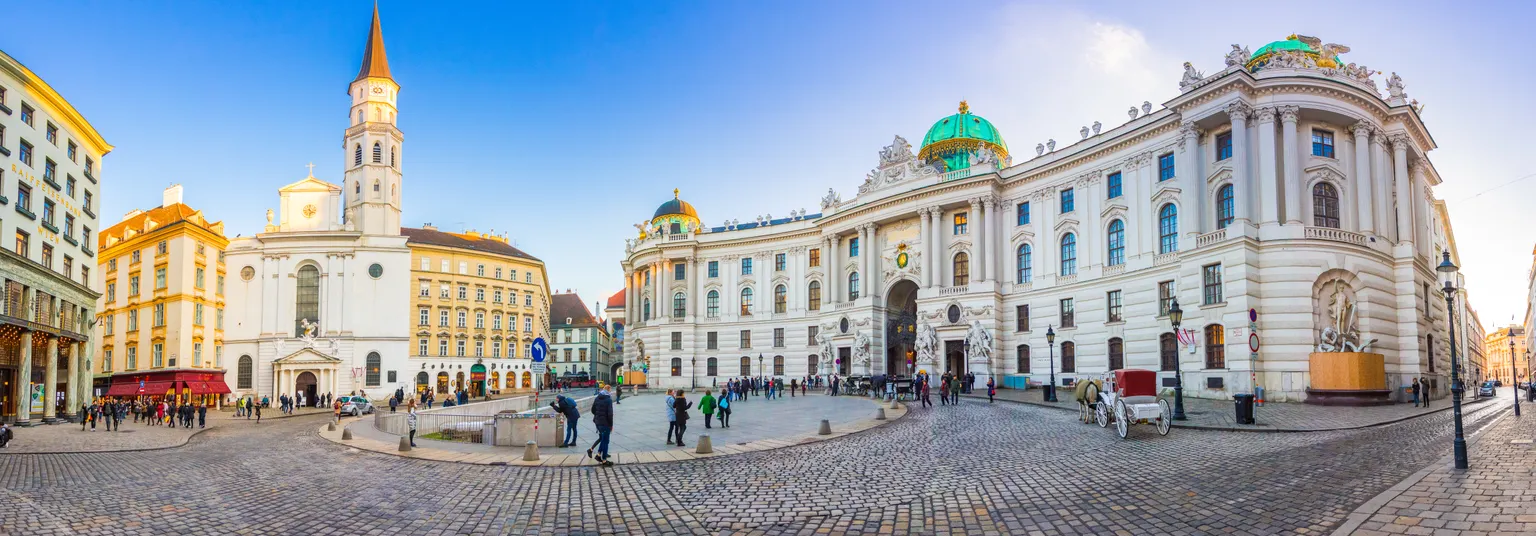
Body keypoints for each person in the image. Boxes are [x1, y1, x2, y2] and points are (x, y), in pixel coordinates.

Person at [590, 385, 614, 465]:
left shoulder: (597, 398)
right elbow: (610, 414)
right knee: (606, 441)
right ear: (609, 390)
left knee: (603, 439)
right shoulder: (608, 399)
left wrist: (598, 415)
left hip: (598, 422)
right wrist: (611, 425)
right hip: (605, 423)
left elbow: (592, 410)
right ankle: (604, 460)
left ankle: (598, 454)